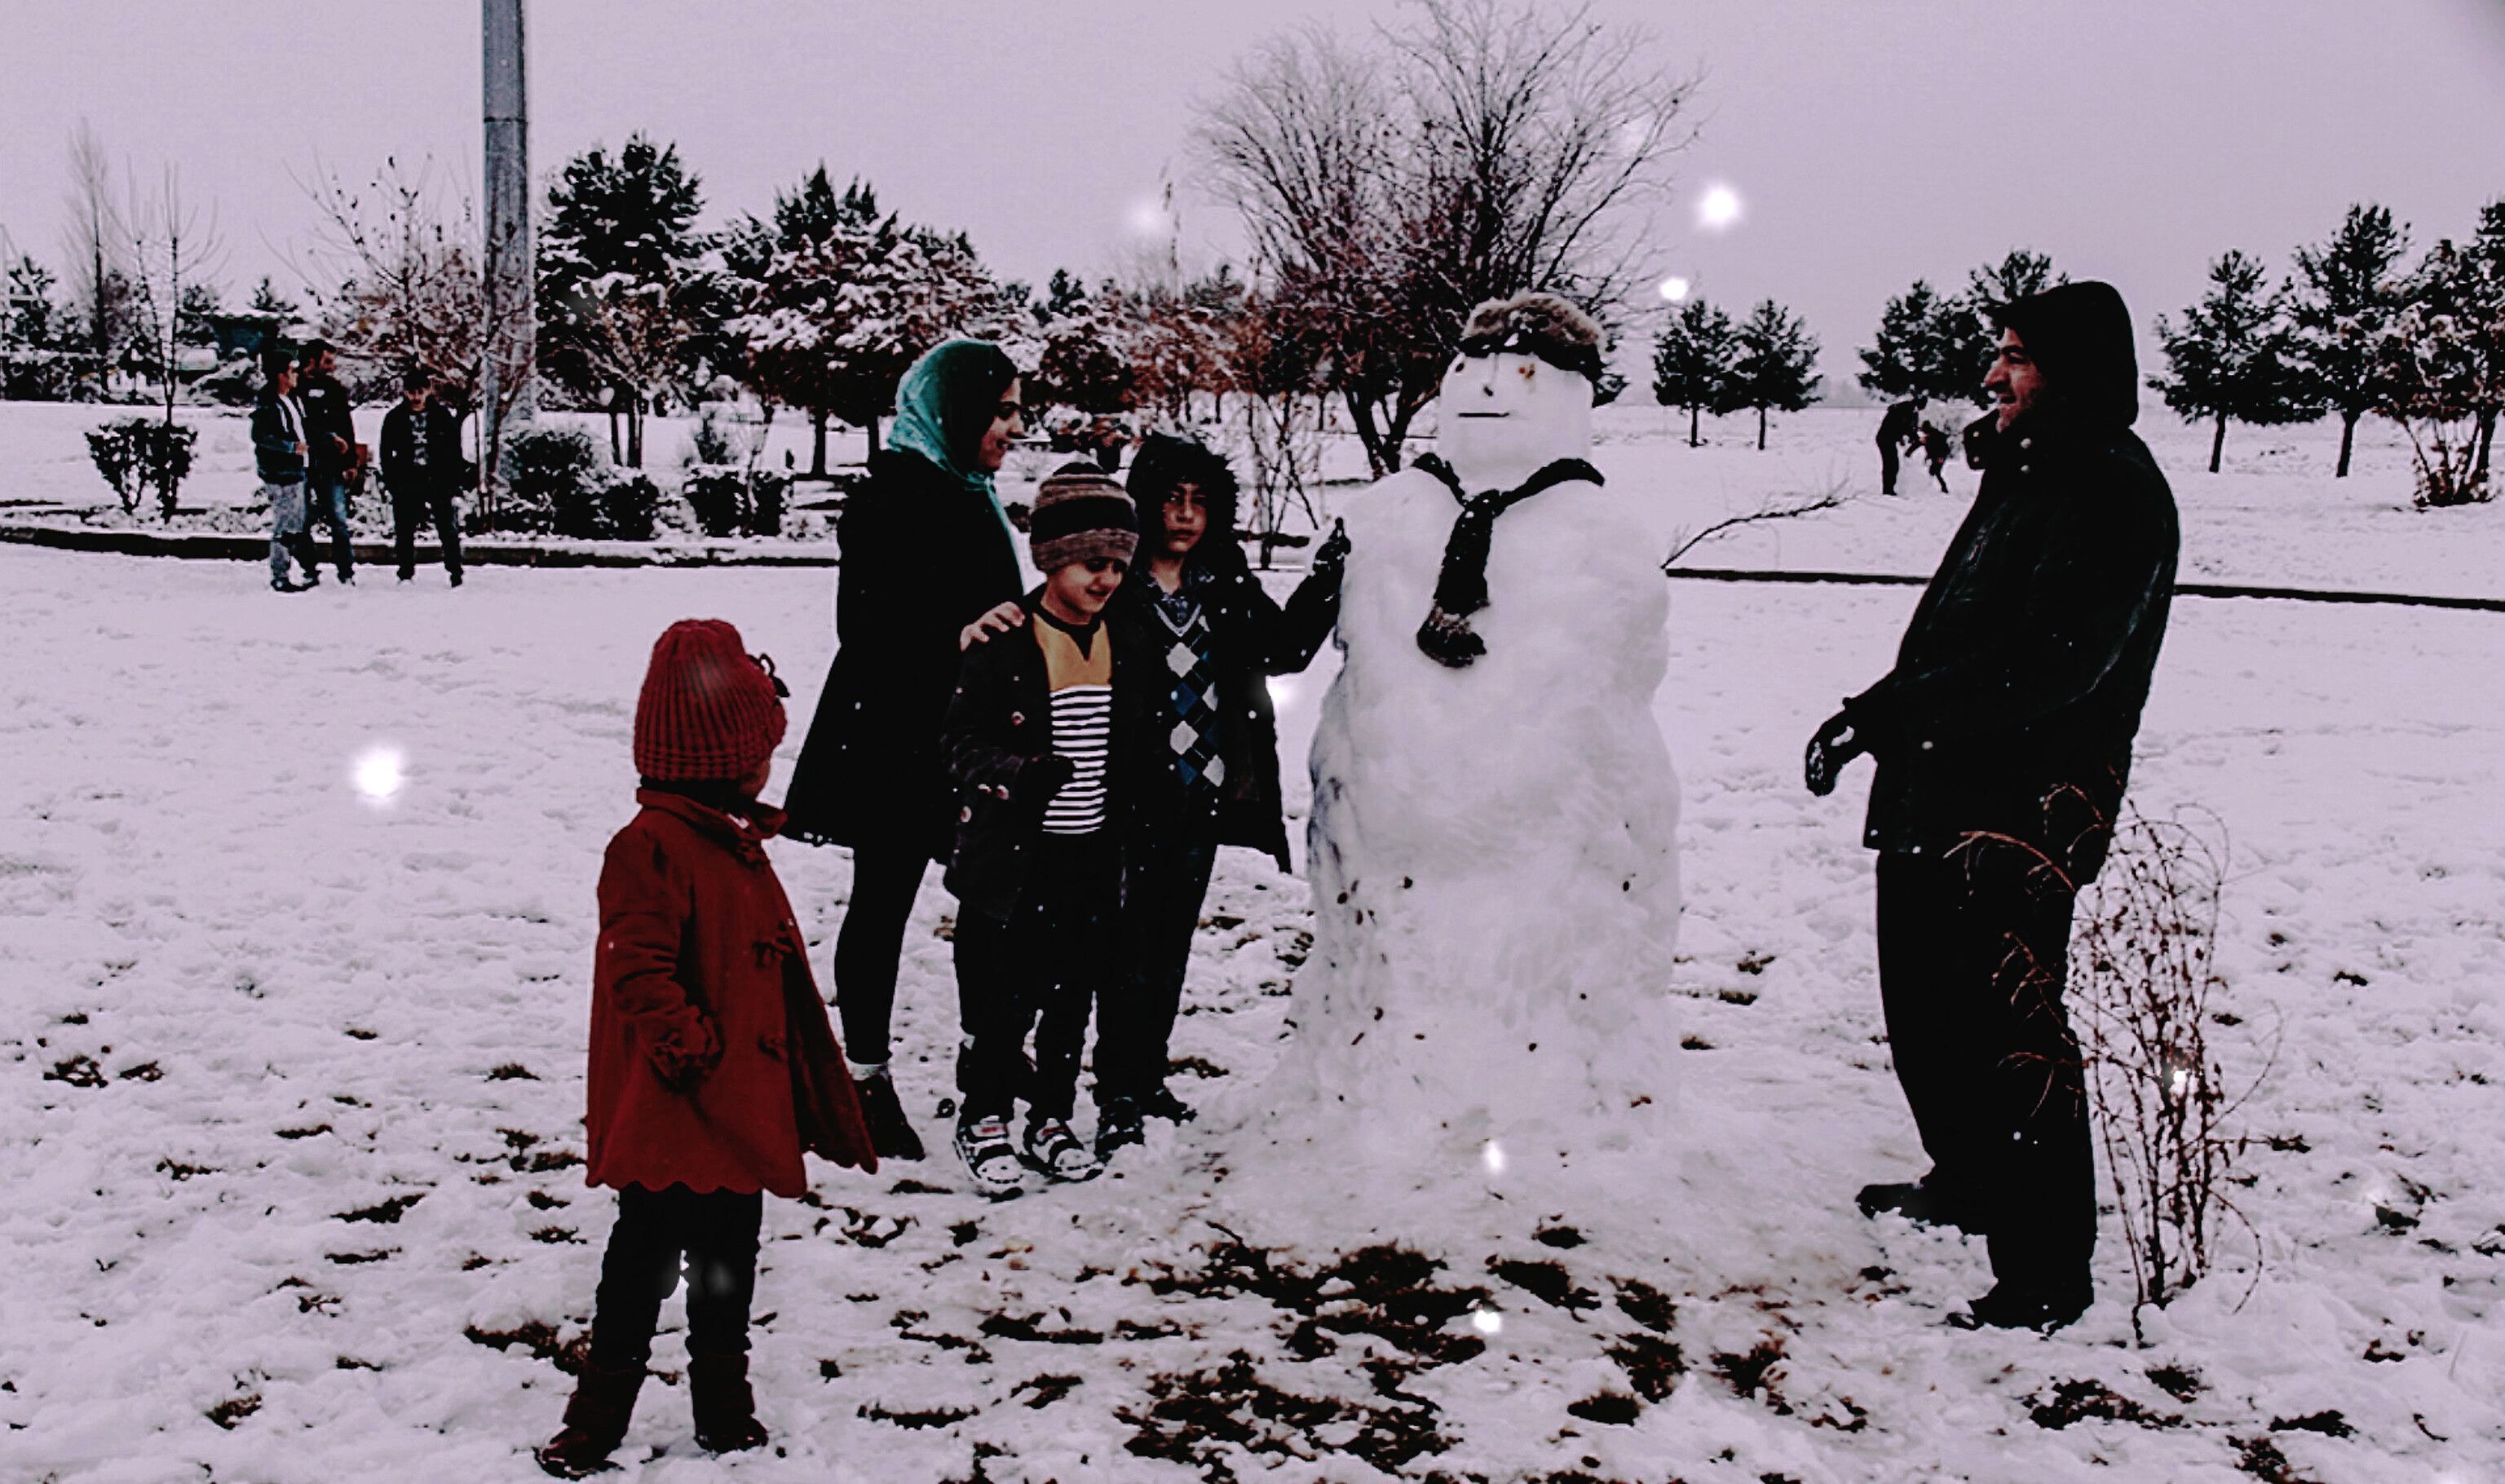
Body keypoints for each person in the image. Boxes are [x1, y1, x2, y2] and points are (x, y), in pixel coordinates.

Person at [1804, 280, 2179, 1332]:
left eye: (2015, 355)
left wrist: (1886, 711)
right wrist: (1886, 721)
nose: (1993, 373)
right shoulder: (2029, 468)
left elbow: (2049, 663)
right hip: (1945, 782)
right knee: (1924, 1008)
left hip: (2022, 808)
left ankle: (2047, 1271)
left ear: (2073, 367)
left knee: (2008, 1028)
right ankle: (1969, 1179)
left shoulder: (2108, 484)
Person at [537, 620, 877, 1477]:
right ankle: (598, 1414)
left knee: (729, 1262)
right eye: (760, 751)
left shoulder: (730, 838)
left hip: (734, 1112)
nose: (770, 767)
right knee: (641, 1263)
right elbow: (638, 966)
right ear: (722, 759)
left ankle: (725, 1408)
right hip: (675, 1107)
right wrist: (690, 1047)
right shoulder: (651, 846)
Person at [780, 340, 1027, 1163]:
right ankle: (863, 1077)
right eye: (1001, 411)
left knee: (993, 897)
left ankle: (987, 1049)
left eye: (1016, 410)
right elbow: (869, 627)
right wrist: (954, 636)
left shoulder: (973, 491)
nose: (1013, 428)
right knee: (883, 899)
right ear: (955, 409)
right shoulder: (892, 497)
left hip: (967, 736)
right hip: (894, 736)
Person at [1091, 434, 1346, 1155]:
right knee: (1122, 948)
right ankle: (1114, 1091)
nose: (1185, 516)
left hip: (1198, 797)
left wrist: (1333, 570)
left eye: (1201, 502)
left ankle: (1146, 1080)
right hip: (1121, 800)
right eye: (1172, 499)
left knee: (1168, 944)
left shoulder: (1222, 579)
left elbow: (1286, 648)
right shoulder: (1114, 581)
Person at [939, 464, 1144, 1192]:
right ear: (1054, 557)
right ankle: (985, 1113)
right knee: (1005, 998)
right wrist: (1019, 773)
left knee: (1071, 999)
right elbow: (959, 743)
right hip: (1017, 864)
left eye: (1119, 564)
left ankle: (1051, 1115)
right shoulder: (1007, 641)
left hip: (1091, 856)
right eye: (1093, 562)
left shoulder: (1124, 638)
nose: (1108, 579)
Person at [378, 369, 466, 586]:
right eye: (411, 392)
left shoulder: (442, 416)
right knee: (405, 528)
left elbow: (454, 450)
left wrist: (453, 480)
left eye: (420, 392)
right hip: (407, 478)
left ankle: (455, 570)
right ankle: (405, 571)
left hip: (438, 478)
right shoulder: (395, 418)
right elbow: (385, 451)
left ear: (428, 390)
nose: (416, 397)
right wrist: (392, 481)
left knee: (447, 527)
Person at [251, 347, 320, 594]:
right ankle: (280, 573)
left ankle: (302, 567)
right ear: (281, 374)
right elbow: (260, 435)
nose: (296, 375)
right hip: (281, 473)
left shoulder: (291, 400)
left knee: (297, 523)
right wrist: (290, 448)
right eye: (291, 371)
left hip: (296, 470)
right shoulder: (269, 403)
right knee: (285, 525)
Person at [296, 338, 359, 585]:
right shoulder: (294, 389)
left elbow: (346, 425)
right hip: (303, 463)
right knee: (301, 520)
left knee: (338, 520)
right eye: (328, 361)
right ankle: (309, 569)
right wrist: (326, 438)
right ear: (312, 361)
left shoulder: (334, 389)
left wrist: (350, 460)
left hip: (331, 465)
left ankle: (346, 572)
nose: (332, 367)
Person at [1875, 394, 1925, 497]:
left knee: (1892, 464)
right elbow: (1903, 426)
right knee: (1891, 464)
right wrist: (1915, 437)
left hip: (1888, 438)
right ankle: (1888, 491)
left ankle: (1888, 489)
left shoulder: (1909, 409)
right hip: (1885, 439)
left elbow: (1904, 426)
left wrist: (1906, 437)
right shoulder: (1906, 409)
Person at [1919, 421, 1953, 493]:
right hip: (1936, 455)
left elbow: (1941, 447)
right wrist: (1927, 457)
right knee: (1932, 471)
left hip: (1941, 455)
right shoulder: (1929, 436)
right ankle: (1929, 486)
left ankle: (1944, 489)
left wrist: (1941, 457)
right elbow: (1930, 449)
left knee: (1936, 471)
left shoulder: (1935, 436)